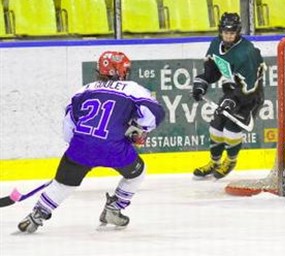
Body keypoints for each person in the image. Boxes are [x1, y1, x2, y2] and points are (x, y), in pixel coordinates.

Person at [17, 51, 165, 233]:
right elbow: (155, 113)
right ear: (121, 71)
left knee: (63, 184)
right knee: (137, 172)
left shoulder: (83, 90)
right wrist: (138, 130)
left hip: (81, 147)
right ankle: (114, 208)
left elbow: (68, 125)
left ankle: (36, 215)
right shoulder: (133, 88)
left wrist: (76, 149)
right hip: (115, 149)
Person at [191, 12, 266, 179]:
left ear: (237, 32)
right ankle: (214, 162)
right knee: (216, 127)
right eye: (226, 32)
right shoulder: (215, 43)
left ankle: (231, 161)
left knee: (231, 130)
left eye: (232, 33)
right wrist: (201, 84)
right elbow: (212, 72)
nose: (229, 36)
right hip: (231, 93)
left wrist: (232, 101)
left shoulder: (247, 53)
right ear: (220, 31)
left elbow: (250, 88)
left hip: (250, 97)